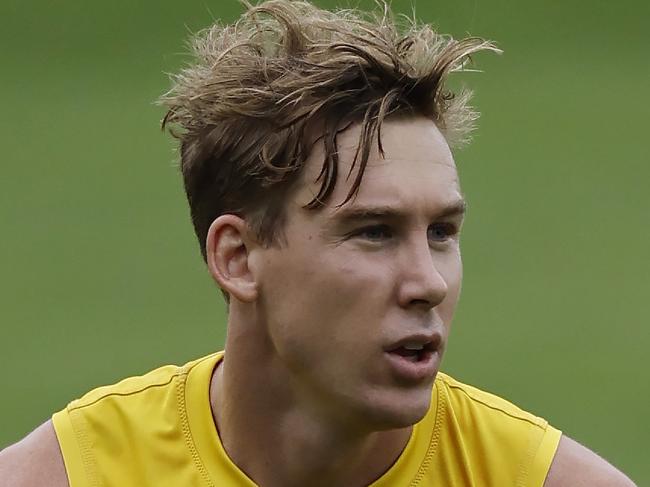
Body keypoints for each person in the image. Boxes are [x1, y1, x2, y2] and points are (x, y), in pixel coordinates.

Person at [0, 1, 636, 486]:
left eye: (441, 232)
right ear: (238, 258)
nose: (429, 283)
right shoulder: (76, 474)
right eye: (374, 232)